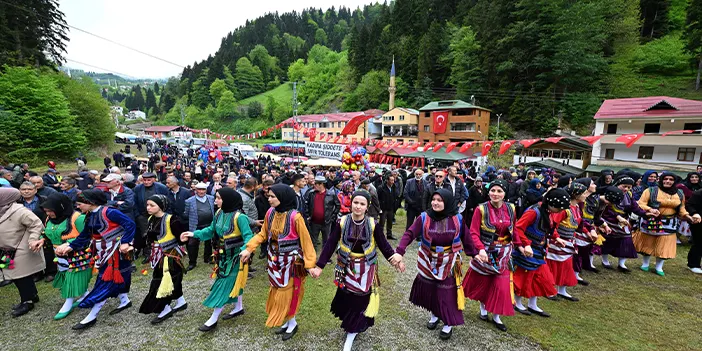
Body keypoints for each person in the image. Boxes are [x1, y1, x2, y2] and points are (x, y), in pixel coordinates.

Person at [309, 191, 398, 351]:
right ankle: (352, 324)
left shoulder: (373, 224)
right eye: (356, 202)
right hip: (345, 265)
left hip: (366, 268)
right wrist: (320, 266)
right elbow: (330, 244)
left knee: (361, 298)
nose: (358, 206)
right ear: (351, 203)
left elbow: (384, 245)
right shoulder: (342, 221)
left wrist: (393, 259)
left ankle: (352, 330)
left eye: (362, 204)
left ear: (367, 207)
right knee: (347, 295)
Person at [392, 189, 475, 340]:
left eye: (440, 200)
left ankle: (448, 323)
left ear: (448, 202)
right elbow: (410, 233)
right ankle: (435, 315)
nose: (435, 203)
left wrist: (475, 254)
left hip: (449, 260)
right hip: (428, 258)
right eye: (434, 199)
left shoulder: (458, 218)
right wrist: (399, 251)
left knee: (446, 292)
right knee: (431, 289)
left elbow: (467, 237)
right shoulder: (424, 217)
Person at [240, 184, 317, 341]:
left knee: (289, 293)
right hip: (274, 260)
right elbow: (263, 234)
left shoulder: (296, 217)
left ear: (283, 197)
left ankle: (292, 322)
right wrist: (249, 249)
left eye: (272, 196)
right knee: (277, 290)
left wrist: (309, 265)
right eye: (268, 196)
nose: (269, 199)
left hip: (291, 263)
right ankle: (289, 321)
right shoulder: (270, 213)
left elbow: (306, 241)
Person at [55, 189, 136, 330]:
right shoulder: (89, 215)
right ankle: (125, 301)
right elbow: (85, 235)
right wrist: (70, 246)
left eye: (80, 203)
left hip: (115, 251)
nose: (78, 207)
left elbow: (130, 224)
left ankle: (92, 315)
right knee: (118, 277)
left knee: (106, 281)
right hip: (103, 251)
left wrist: (126, 241)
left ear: (90, 203)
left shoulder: (110, 212)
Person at [462, 179, 519, 332]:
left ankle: (496, 316)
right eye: (493, 190)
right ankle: (483, 310)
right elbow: (473, 232)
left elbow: (515, 229)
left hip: (505, 253)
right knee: (484, 282)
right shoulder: (481, 209)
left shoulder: (511, 208)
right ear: (488, 192)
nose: (495, 194)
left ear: (505, 193)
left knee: (501, 286)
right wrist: (479, 249)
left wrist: (522, 245)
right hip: (486, 252)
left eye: (499, 191)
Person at [512, 189, 570, 318]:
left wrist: (556, 237)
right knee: (524, 277)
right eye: (559, 208)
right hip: (528, 251)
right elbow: (518, 228)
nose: (561, 212)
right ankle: (517, 301)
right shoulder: (534, 212)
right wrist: (526, 244)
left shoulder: (548, 211)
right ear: (552, 204)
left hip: (539, 250)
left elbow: (548, 227)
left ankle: (533, 303)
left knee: (540, 278)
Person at [37, 193, 92, 320]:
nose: (49, 214)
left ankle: (68, 302)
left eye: (51, 211)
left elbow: (87, 236)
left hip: (77, 255)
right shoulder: (48, 219)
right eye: (46, 211)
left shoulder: (77, 218)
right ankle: (85, 295)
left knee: (72, 278)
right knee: (66, 275)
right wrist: (41, 240)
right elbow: (48, 233)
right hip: (60, 256)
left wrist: (68, 243)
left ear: (60, 207)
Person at [633, 172, 695, 276]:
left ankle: (659, 267)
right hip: (652, 220)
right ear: (661, 180)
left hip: (670, 222)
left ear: (674, 181)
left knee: (665, 244)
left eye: (671, 179)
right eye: (666, 179)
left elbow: (681, 208)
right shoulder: (650, 190)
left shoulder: (679, 193)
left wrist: (687, 216)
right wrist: (650, 209)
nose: (668, 181)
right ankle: (645, 264)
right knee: (648, 242)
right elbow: (641, 203)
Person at [139, 195, 188, 324]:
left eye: (152, 205)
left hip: (170, 257)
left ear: (161, 206)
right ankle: (181, 301)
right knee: (170, 280)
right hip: (157, 256)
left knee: (165, 281)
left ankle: (165, 307)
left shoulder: (171, 220)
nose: (148, 208)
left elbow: (181, 236)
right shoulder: (151, 219)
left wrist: (183, 239)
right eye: (148, 205)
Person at [0, 188, 46, 317]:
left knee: (21, 276)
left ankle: (27, 301)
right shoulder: (1, 210)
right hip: (7, 250)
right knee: (16, 276)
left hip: (22, 248)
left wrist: (33, 239)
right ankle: (33, 295)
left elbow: (37, 224)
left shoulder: (19, 211)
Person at [546, 182, 593, 302]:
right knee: (554, 266)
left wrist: (587, 232)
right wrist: (556, 237)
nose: (585, 195)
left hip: (569, 241)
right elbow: (552, 225)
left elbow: (579, 224)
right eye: (583, 193)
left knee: (566, 266)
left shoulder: (577, 207)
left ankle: (562, 290)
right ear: (576, 195)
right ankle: (549, 290)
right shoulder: (564, 210)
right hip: (558, 242)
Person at [599, 181, 647, 273]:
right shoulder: (609, 193)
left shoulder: (629, 195)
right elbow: (606, 209)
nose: (626, 189)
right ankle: (605, 261)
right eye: (624, 186)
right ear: (617, 185)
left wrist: (647, 214)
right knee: (607, 241)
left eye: (629, 187)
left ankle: (622, 264)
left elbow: (635, 207)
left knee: (626, 241)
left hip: (623, 222)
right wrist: (617, 216)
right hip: (609, 221)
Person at [134, 172, 169, 261]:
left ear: (154, 179)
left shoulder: (162, 188)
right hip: (143, 216)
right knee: (146, 235)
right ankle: (148, 254)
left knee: (160, 233)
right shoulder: (138, 188)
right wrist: (138, 215)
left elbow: (167, 200)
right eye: (144, 180)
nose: (146, 182)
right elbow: (135, 203)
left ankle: (162, 251)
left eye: (149, 180)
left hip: (159, 215)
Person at [304, 175, 340, 249]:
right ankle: (312, 257)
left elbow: (338, 205)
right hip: (314, 222)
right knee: (313, 240)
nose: (314, 186)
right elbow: (307, 204)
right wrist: (308, 215)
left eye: (315, 184)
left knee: (326, 240)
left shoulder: (331, 194)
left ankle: (325, 257)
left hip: (326, 222)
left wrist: (332, 217)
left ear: (321, 184)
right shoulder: (311, 193)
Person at [254, 179, 273, 259]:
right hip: (262, 220)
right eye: (266, 189)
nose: (267, 191)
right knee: (263, 237)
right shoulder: (258, 199)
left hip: (273, 220)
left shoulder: (276, 198)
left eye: (269, 189)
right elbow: (256, 211)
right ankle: (263, 250)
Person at [686, 189, 702, 273]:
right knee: (699, 243)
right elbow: (689, 205)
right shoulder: (698, 193)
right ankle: (693, 264)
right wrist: (695, 213)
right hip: (699, 222)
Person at [377, 175, 398, 240]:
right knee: (382, 223)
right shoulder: (381, 188)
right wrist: (379, 208)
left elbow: (395, 197)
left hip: (391, 208)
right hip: (383, 208)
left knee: (390, 222)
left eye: (393, 180)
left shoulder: (394, 187)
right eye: (391, 180)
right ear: (387, 180)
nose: (392, 182)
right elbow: (378, 198)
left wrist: (395, 207)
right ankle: (380, 236)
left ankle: (389, 234)